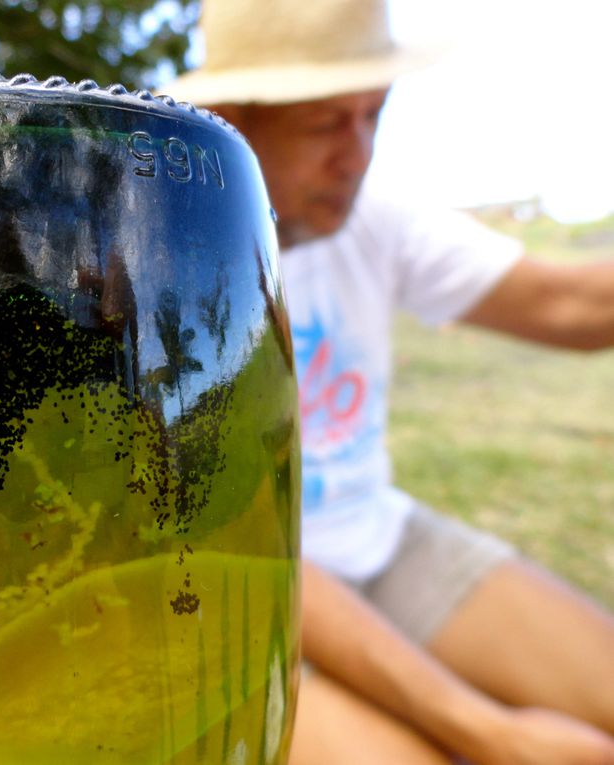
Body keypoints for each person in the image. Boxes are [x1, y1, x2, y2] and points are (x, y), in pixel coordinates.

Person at [164, 1, 614, 763]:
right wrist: (489, 731)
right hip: (239, 583)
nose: (359, 152)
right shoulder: (158, 263)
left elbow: (573, 304)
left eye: (375, 114)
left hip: (381, 535)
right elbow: (240, 547)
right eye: (324, 124)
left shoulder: (374, 218)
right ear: (230, 118)